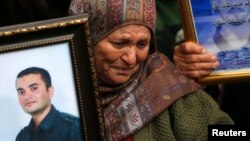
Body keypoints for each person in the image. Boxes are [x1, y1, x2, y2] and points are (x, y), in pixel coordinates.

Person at [69, 0, 233, 140]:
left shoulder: (169, 88)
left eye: (142, 44)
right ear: (86, 37)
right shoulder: (59, 92)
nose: (132, 59)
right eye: (119, 44)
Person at [15, 67, 82, 141]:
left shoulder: (75, 128)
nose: (26, 96)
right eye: (21, 92)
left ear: (50, 92)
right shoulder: (22, 137)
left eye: (34, 88)